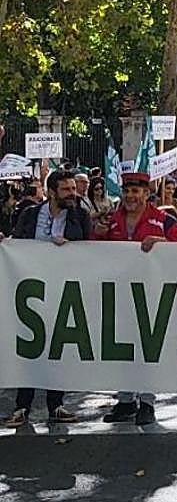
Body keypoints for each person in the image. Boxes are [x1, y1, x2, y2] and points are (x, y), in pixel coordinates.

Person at [94, 171, 177, 425]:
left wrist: (162, 242)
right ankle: (125, 401)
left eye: (136, 191)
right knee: (122, 348)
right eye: (127, 191)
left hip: (152, 295)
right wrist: (99, 234)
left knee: (147, 349)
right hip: (119, 294)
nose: (130, 196)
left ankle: (147, 402)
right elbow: (94, 253)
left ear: (147, 194)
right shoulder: (111, 221)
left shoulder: (164, 221)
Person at [2, 169, 91, 427]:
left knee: (58, 348)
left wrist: (71, 246)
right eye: (66, 189)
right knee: (29, 346)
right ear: (51, 192)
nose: (73, 194)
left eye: (73, 188)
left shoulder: (80, 217)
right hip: (31, 291)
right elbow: (17, 244)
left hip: (64, 292)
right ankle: (22, 406)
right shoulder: (29, 215)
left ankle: (57, 404)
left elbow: (90, 250)